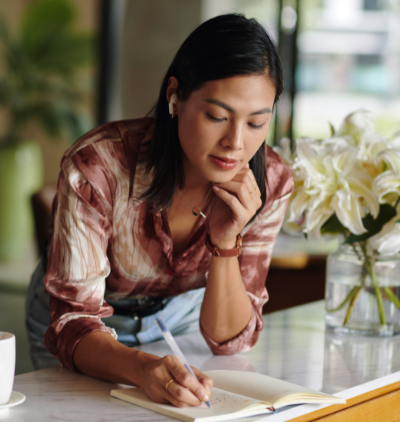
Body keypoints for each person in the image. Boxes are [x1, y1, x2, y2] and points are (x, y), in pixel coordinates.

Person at [26, 13, 293, 408]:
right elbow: (72, 324)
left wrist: (225, 241)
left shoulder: (270, 180)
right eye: (217, 116)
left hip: (181, 321)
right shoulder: (100, 166)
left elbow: (230, 340)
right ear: (175, 95)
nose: (235, 143)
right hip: (86, 328)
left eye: (256, 123)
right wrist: (141, 368)